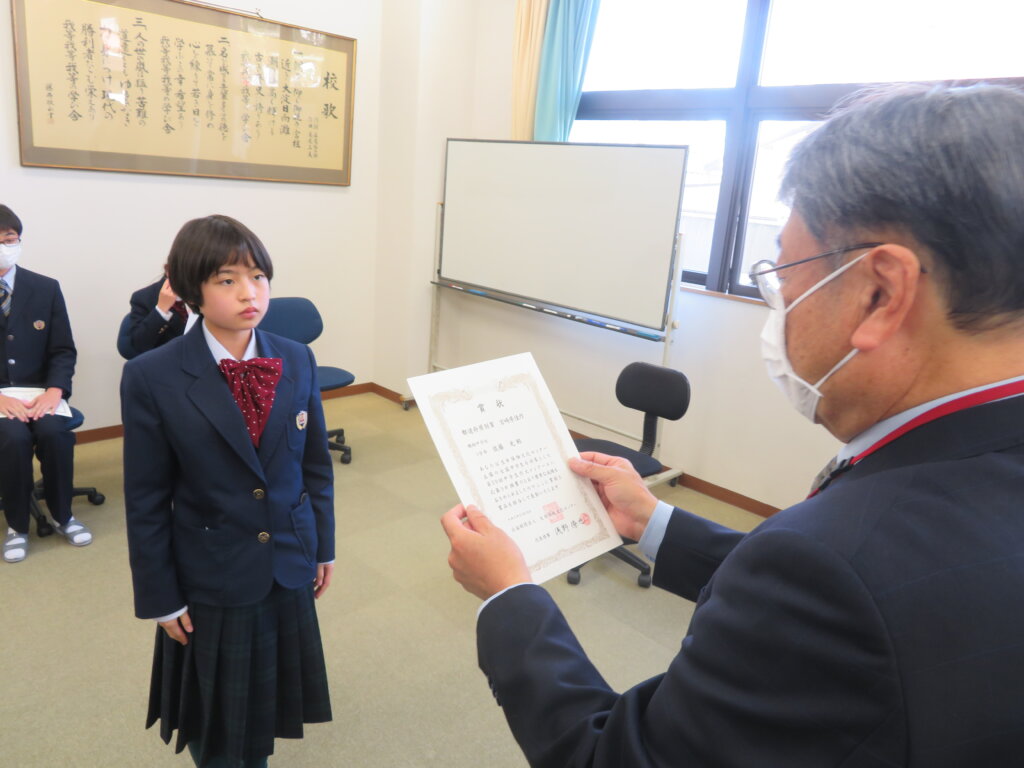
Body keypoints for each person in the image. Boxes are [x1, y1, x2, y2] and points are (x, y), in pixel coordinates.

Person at [441, 83, 1024, 767]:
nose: (780, 304)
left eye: (787, 274)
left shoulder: (830, 562)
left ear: (881, 292)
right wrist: (653, 521)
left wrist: (510, 597)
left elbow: (615, 759)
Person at [121, 214, 335, 767]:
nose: (250, 293)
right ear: (190, 289)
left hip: (287, 558)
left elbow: (315, 466)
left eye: (258, 276)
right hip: (211, 573)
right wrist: (159, 596)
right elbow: (145, 499)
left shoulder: (296, 357)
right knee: (216, 724)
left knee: (265, 709)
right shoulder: (152, 375)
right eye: (227, 280)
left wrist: (323, 546)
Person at [0, 204, 90, 564]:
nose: (4, 246)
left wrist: (55, 391)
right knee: (14, 438)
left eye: (9, 239)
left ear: (19, 240)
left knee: (55, 433)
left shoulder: (45, 288)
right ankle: (17, 526)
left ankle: (63, 515)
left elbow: (63, 349)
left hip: (41, 392)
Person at [118, 272, 194, 359]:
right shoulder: (144, 297)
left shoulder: (202, 291)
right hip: (167, 360)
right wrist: (161, 310)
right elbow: (139, 345)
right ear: (168, 270)